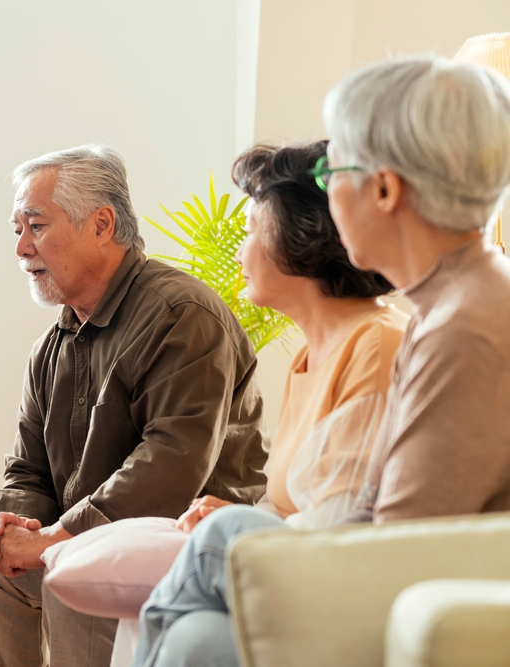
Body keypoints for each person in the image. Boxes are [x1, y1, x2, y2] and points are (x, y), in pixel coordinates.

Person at [133, 56, 510, 667]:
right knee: (191, 638)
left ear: (385, 189)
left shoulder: (464, 325)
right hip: (403, 581)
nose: (326, 193)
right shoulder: (450, 302)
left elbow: (404, 549)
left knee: (220, 543)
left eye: (334, 169)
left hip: (414, 597)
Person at [0, 145, 269, 667]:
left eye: (35, 225)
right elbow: (27, 469)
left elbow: (172, 462)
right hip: (81, 536)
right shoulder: (54, 344)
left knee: (74, 572)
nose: (21, 248)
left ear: (102, 224)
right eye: (16, 229)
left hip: (187, 537)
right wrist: (11, 528)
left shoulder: (182, 313)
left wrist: (60, 538)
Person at [177, 141, 408, 535]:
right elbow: (290, 505)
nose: (239, 256)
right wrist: (235, 514)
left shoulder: (378, 345)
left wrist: (240, 525)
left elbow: (343, 526)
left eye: (250, 232)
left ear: (302, 239)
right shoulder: (308, 354)